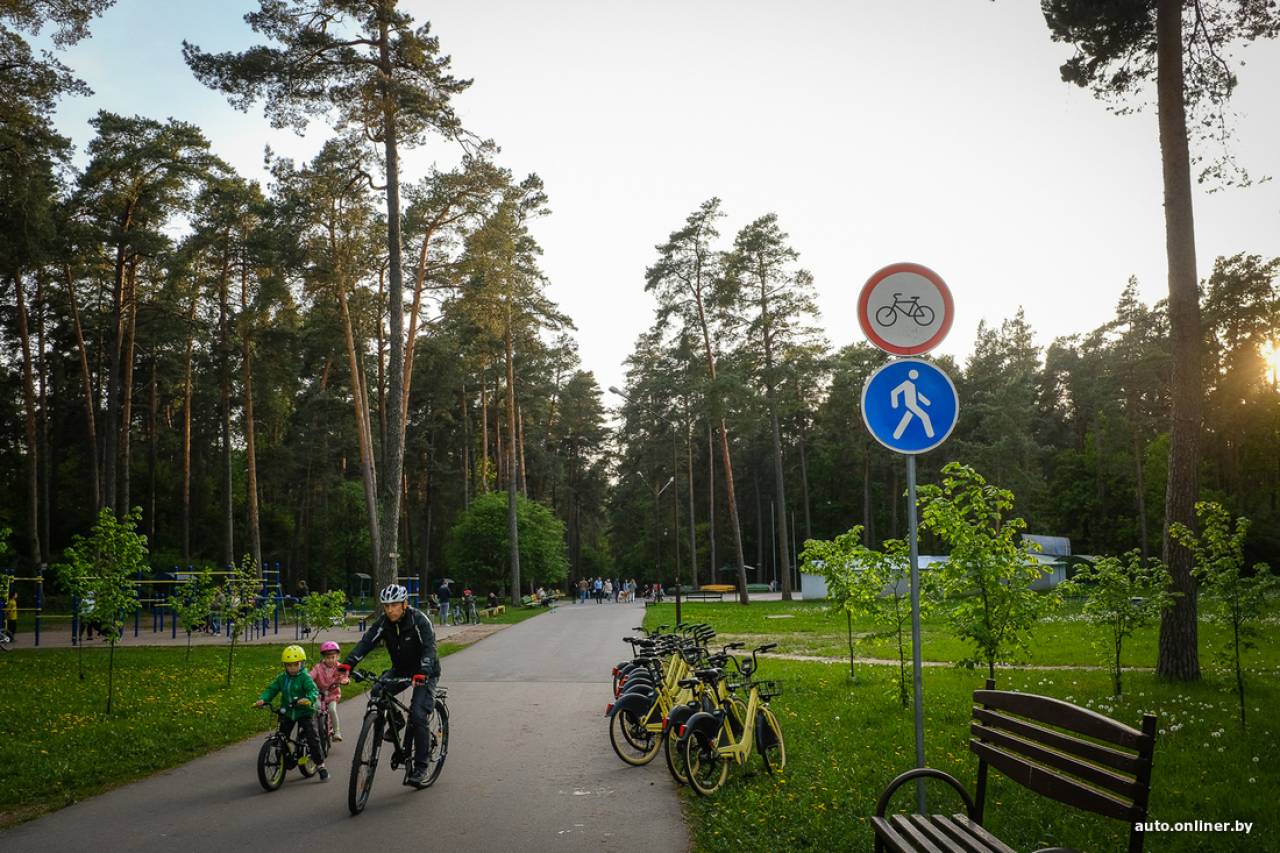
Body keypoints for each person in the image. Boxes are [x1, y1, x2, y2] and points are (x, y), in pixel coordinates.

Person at [338, 584, 439, 787]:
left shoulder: (419, 620)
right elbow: (367, 642)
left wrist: (423, 671)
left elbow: (430, 648)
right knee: (377, 691)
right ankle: (397, 722)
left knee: (418, 714)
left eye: (394, 605)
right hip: (401, 669)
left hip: (424, 671)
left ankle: (421, 766)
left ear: (404, 604)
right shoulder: (384, 622)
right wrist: (348, 664)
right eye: (386, 606)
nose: (390, 610)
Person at [255, 645, 329, 782]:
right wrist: (263, 699)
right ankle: (283, 757)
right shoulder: (282, 678)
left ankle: (321, 765)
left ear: (302, 664)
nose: (292, 668)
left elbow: (313, 691)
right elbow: (272, 689)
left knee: (312, 737)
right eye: (288, 665)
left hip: (305, 711)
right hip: (288, 711)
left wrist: (308, 699)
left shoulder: (305, 678)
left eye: (295, 665)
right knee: (281, 736)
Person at [310, 640, 349, 741]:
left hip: (332, 695)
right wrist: (307, 681)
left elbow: (344, 676)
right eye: (327, 657)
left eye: (333, 657)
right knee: (315, 708)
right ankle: (312, 729)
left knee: (332, 709)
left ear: (337, 657)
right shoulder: (318, 667)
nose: (330, 660)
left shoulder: (339, 667)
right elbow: (310, 676)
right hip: (319, 694)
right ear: (323, 657)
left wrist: (344, 680)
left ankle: (337, 732)